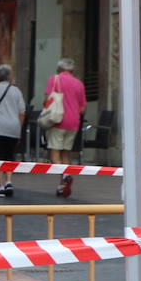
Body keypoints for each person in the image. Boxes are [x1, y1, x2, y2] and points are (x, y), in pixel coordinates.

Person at [44, 58, 87, 197]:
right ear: (72, 70)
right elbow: (83, 108)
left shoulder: (55, 79)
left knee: (54, 153)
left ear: (59, 69)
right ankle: (61, 186)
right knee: (66, 154)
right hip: (74, 122)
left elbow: (46, 100)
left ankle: (66, 176)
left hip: (58, 120)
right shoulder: (79, 84)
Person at [0, 64, 27, 197]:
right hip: (13, 128)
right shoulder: (16, 91)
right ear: (9, 76)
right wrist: (19, 129)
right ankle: (9, 181)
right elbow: (22, 112)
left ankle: (0, 185)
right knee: (9, 156)